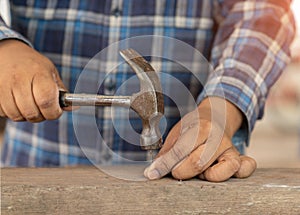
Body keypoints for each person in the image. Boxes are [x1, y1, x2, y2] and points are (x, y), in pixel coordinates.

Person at [0, 0, 295, 182]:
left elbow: (263, 12)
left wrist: (221, 110)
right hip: (35, 168)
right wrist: (4, 44)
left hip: (191, 180)